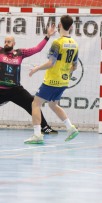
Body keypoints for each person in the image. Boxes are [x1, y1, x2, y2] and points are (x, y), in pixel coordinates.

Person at [27, 15, 80, 144]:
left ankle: (37, 135)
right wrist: (64, 72)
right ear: (71, 27)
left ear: (59, 25)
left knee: (35, 104)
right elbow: (75, 66)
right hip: (64, 81)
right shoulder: (75, 44)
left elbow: (51, 63)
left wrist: (37, 68)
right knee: (52, 104)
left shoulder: (57, 43)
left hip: (52, 80)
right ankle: (70, 128)